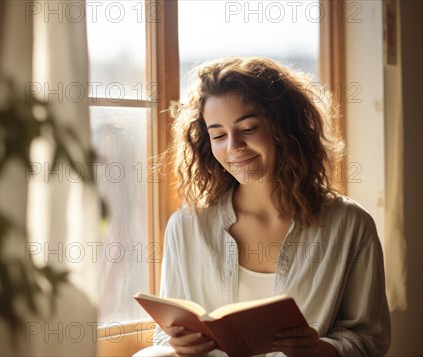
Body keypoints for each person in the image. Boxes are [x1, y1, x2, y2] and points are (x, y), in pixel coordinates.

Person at [153, 57, 390, 356]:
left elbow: (370, 339)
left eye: (249, 128)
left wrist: (321, 349)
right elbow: (163, 338)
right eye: (218, 135)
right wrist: (179, 346)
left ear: (284, 127)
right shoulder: (187, 226)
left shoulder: (350, 223)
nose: (233, 146)